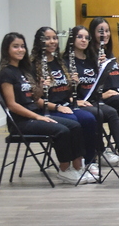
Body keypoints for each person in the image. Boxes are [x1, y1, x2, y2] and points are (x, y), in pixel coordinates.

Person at [0, 32, 91, 185]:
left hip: (33, 115)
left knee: (75, 125)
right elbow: (12, 105)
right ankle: (64, 170)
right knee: (62, 130)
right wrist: (37, 117)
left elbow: (33, 97)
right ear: (6, 49)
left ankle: (78, 168)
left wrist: (41, 86)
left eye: (22, 47)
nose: (20, 50)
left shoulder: (23, 70)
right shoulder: (6, 73)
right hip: (22, 122)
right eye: (15, 47)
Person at [33, 27, 103, 178]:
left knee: (90, 119)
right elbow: (34, 99)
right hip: (49, 109)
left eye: (54, 38)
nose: (52, 42)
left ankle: (89, 161)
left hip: (65, 105)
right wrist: (56, 106)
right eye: (47, 38)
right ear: (39, 42)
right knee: (75, 123)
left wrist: (74, 90)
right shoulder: (34, 65)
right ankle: (75, 166)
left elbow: (66, 91)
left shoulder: (59, 61)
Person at [64, 25, 119, 168]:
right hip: (78, 103)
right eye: (80, 37)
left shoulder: (91, 60)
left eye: (86, 38)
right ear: (72, 39)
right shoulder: (66, 62)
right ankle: (98, 152)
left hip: (93, 100)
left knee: (112, 112)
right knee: (98, 114)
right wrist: (75, 98)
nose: (84, 40)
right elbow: (61, 91)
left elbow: (98, 84)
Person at [89, 17, 119, 165]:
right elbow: (89, 84)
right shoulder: (90, 55)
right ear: (93, 33)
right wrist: (102, 95)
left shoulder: (109, 54)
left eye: (107, 31)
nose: (105, 34)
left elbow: (116, 79)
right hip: (102, 97)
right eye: (100, 31)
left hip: (117, 93)